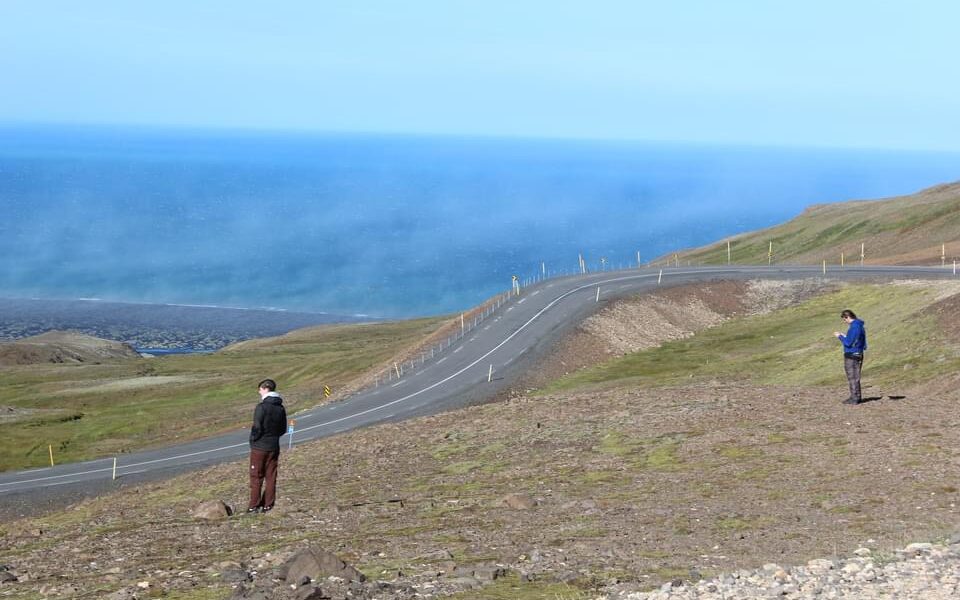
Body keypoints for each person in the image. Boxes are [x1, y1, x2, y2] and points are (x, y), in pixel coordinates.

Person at [247, 378, 287, 513]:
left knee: (256, 476)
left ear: (265, 389)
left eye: (260, 389)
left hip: (259, 447)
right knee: (271, 475)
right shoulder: (280, 407)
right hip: (274, 446)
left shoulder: (261, 407)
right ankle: (268, 504)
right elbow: (283, 429)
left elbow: (257, 427)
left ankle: (254, 506)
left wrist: (253, 440)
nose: (259, 392)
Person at [834, 309, 867, 405]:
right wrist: (845, 336)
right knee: (856, 376)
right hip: (858, 353)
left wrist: (839, 336)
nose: (845, 322)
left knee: (852, 377)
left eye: (844, 319)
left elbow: (848, 343)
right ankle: (857, 396)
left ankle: (854, 398)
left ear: (847, 317)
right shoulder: (860, 326)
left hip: (852, 355)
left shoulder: (854, 327)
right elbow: (859, 341)